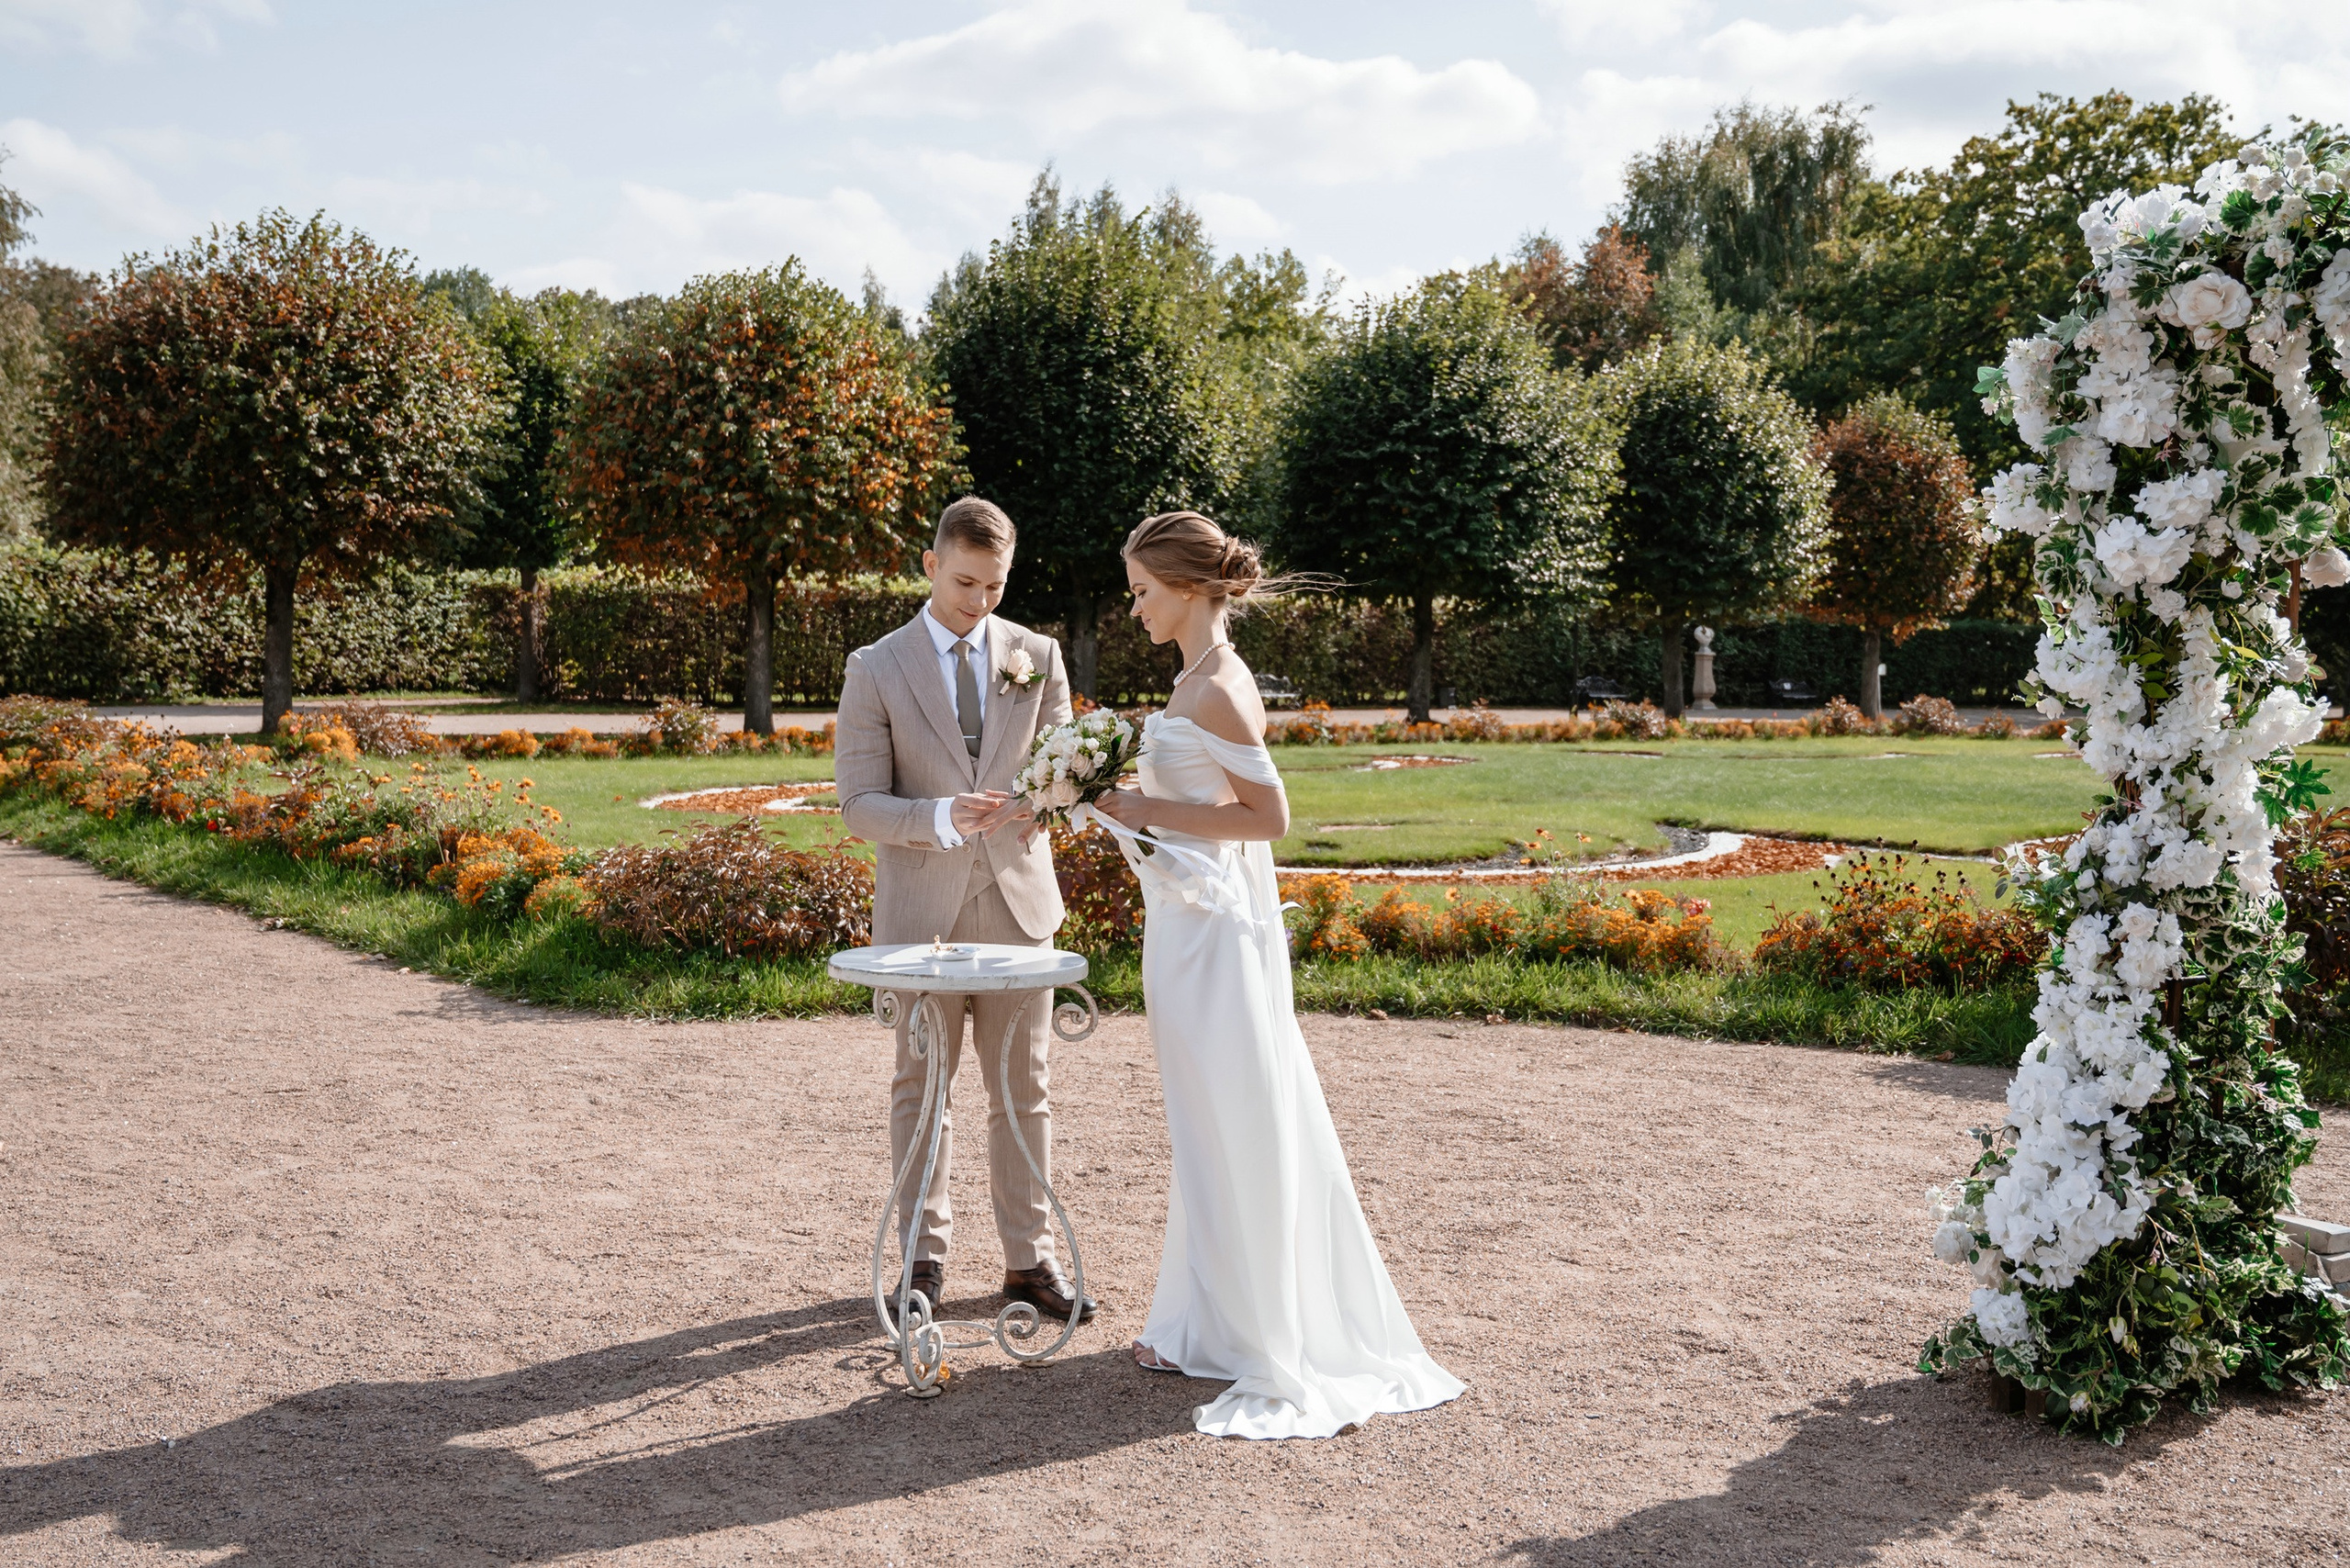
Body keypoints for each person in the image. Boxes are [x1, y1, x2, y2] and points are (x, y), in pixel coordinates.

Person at [1091, 510, 1464, 1439]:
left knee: (1235, 1119)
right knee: (1202, 1124)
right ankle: (1198, 1322)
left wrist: (1138, 805)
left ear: (1184, 588)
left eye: (1140, 591)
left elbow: (1269, 818)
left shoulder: (1217, 687)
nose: (1132, 608)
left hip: (1213, 940)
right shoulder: (1194, 679)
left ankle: (1259, 1335)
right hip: (1184, 928)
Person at [834, 496, 1096, 1327]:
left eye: (995, 585)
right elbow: (857, 803)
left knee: (1028, 1091)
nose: (980, 601)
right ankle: (921, 1260)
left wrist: (1041, 802)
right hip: (923, 914)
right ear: (928, 565)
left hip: (1020, 907)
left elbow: (1067, 773)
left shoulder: (1039, 654)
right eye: (964, 582)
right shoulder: (875, 665)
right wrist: (941, 818)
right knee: (924, 1088)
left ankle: (1029, 1262)